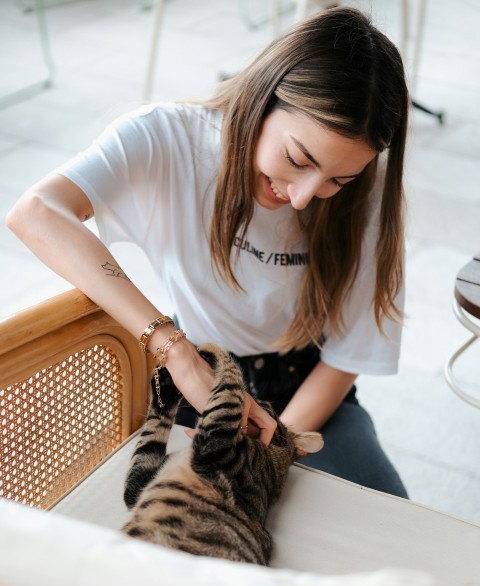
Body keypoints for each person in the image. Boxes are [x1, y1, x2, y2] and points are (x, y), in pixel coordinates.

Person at [7, 7, 409, 498]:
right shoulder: (167, 138)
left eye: (337, 181)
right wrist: (176, 353)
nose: (304, 196)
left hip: (311, 388)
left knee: (388, 525)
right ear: (263, 97)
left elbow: (347, 354)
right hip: (202, 382)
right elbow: (37, 213)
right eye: (298, 160)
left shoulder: (373, 192)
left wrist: (272, 446)